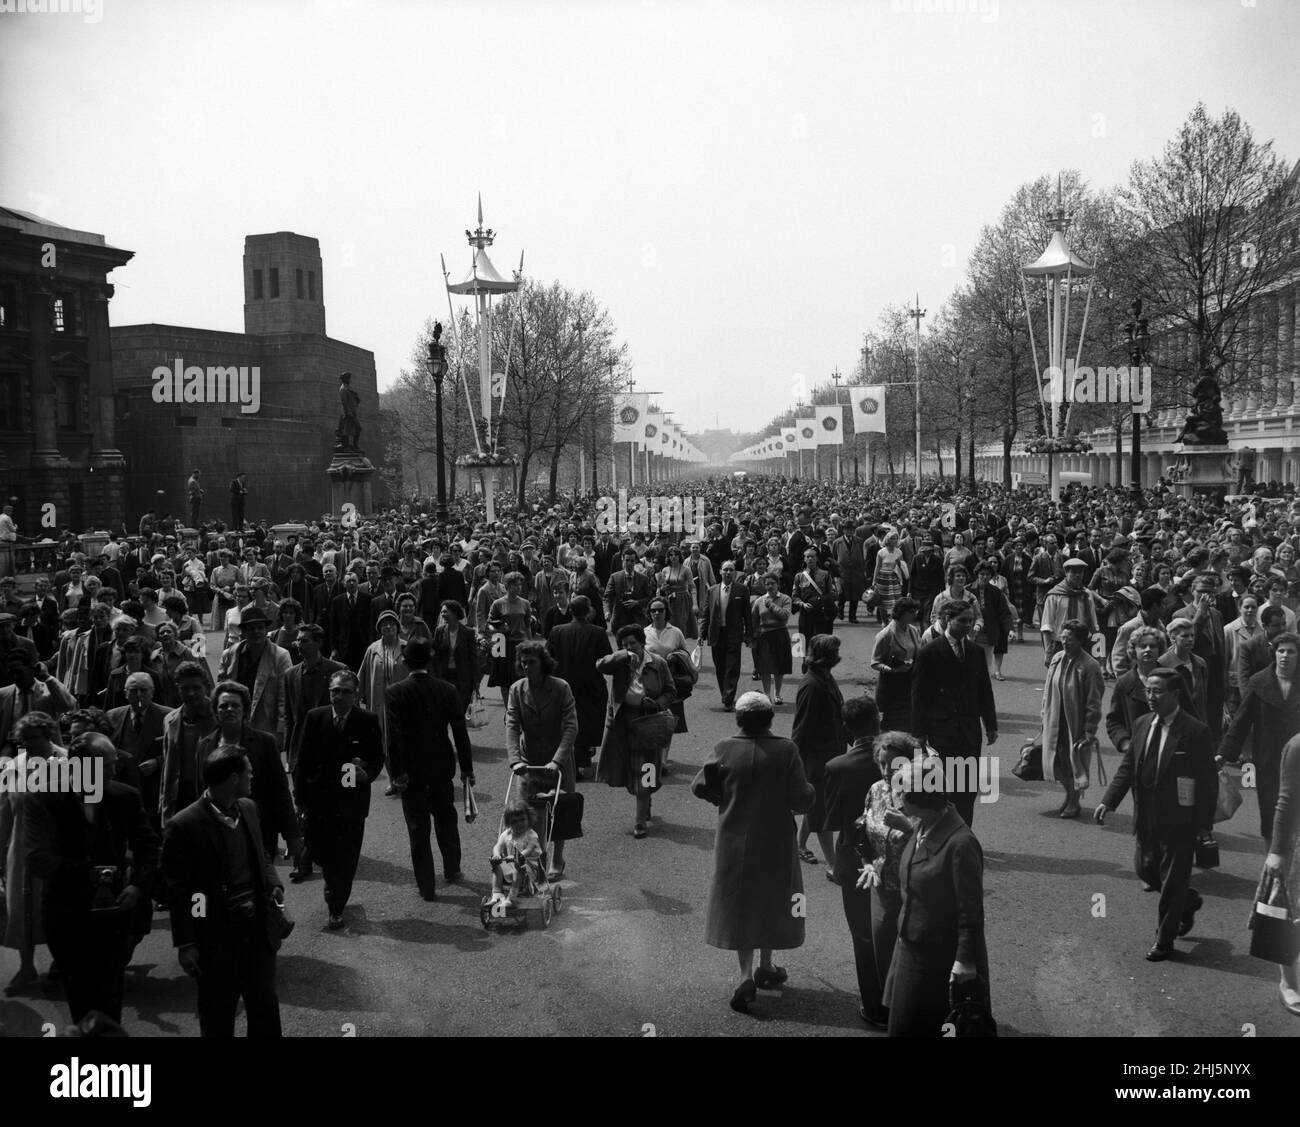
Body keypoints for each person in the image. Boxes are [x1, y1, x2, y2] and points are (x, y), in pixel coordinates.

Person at [691, 691, 815, 1014]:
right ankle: (767, 964)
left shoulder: (724, 748)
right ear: (770, 718)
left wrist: (721, 797)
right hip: (775, 839)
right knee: (772, 898)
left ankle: (745, 975)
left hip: (733, 838)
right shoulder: (786, 750)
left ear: (739, 719)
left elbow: (699, 785)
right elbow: (802, 799)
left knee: (740, 901)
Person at [26, 732, 159, 1024]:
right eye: (106, 765)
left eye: (114, 764)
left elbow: (149, 849)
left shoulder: (124, 797)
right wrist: (89, 872)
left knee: (110, 998)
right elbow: (38, 860)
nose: (114, 770)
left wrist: (138, 885)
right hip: (67, 915)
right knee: (81, 1000)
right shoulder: (44, 799)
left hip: (113, 916)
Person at [160, 747, 285, 1036]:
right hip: (215, 938)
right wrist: (187, 943)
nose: (252, 776)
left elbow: (262, 853)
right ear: (233, 778)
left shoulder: (249, 809)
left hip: (256, 931)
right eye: (248, 772)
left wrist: (274, 882)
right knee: (218, 1014)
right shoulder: (184, 825)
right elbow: (179, 890)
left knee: (265, 1008)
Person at [1096, 668, 1218, 961]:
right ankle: (1186, 902)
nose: (1150, 697)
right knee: (1146, 870)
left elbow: (1208, 781)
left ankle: (1164, 941)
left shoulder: (1195, 731)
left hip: (1180, 820)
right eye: (1148, 691)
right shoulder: (1141, 724)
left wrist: (1203, 825)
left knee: (1172, 882)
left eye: (1157, 691)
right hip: (1146, 816)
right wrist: (1108, 801)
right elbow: (1128, 767)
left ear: (1175, 695)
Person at [885, 751, 990, 1037]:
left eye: (902, 794)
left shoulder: (961, 845)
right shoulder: (922, 825)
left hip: (939, 960)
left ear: (922, 798)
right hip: (911, 949)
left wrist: (965, 960)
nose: (898, 800)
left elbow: (971, 911)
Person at [294, 670, 385, 929]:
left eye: (346, 692)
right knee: (320, 851)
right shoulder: (315, 718)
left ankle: (336, 906)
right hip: (318, 801)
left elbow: (378, 757)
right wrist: (300, 799)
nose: (340, 697)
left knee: (346, 859)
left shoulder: (366, 720)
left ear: (356, 695)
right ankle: (331, 881)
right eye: (335, 691)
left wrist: (365, 773)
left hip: (351, 804)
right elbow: (303, 760)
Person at [386, 638, 474, 899]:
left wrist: (397, 772)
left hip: (411, 769)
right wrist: (467, 768)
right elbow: (460, 731)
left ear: (405, 661)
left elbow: (393, 736)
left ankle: (426, 886)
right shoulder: (447, 690)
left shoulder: (394, 692)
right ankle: (452, 867)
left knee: (418, 827)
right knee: (446, 817)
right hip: (441, 764)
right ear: (430, 660)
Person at [854, 730, 923, 1030]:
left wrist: (909, 827)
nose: (885, 771)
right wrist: (867, 863)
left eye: (893, 766)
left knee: (914, 962)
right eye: (881, 764)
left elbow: (942, 840)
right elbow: (863, 833)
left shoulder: (922, 793)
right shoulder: (875, 790)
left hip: (915, 891)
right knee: (883, 957)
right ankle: (891, 1016)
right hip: (881, 888)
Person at [823, 696, 883, 1025]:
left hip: (855, 856)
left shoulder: (837, 767)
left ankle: (873, 1007)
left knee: (862, 933)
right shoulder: (904, 757)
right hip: (899, 855)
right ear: (877, 720)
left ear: (847, 728)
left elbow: (832, 819)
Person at [911, 605, 998, 827]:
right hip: (941, 733)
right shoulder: (929, 652)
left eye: (970, 620)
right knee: (942, 788)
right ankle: (940, 834)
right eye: (963, 621)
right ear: (948, 620)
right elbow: (919, 696)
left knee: (966, 790)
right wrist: (919, 734)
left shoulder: (976, 652)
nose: (968, 625)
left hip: (968, 732)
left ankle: (963, 832)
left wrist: (991, 724)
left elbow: (984, 690)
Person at [0, 712, 66, 995]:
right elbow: (3, 813)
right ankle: (26, 967)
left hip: (57, 849)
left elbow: (90, 806)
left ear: (49, 734)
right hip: (20, 850)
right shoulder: (13, 766)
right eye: (23, 740)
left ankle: (61, 966)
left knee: (55, 909)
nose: (27, 744)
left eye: (33, 738)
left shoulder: (71, 761)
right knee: (21, 910)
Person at [200, 681, 300, 866]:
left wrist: (292, 835)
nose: (229, 709)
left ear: (245, 710)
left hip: (258, 829)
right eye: (223, 706)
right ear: (215, 711)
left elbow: (279, 790)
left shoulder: (265, 743)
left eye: (235, 705)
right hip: (218, 832)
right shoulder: (205, 746)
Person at [506, 641, 578, 879]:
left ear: (543, 663)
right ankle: (535, 857)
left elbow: (570, 726)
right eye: (523, 662)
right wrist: (516, 759)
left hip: (558, 759)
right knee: (525, 813)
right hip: (529, 761)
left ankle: (558, 858)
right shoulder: (517, 689)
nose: (527, 667)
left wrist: (557, 760)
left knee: (559, 810)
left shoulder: (561, 687)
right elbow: (512, 725)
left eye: (532, 662)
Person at [1218, 633, 1300, 843]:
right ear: (1274, 653)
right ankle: (1272, 866)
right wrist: (1224, 754)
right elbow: (1241, 722)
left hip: (1297, 761)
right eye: (1281, 650)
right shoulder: (1259, 682)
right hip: (1268, 762)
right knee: (1271, 820)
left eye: (1291, 651)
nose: (1285, 656)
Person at [596, 626, 675, 839]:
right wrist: (622, 655)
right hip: (623, 722)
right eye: (624, 644)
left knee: (646, 769)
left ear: (642, 642)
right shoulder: (620, 662)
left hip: (649, 722)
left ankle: (640, 821)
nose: (629, 647)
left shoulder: (658, 663)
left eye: (633, 643)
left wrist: (657, 703)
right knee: (628, 769)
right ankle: (645, 798)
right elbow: (600, 665)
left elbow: (670, 691)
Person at [792, 634, 847, 881]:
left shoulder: (825, 678)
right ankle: (835, 866)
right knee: (822, 813)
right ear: (828, 656)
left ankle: (800, 845)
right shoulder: (812, 685)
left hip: (831, 755)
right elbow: (800, 730)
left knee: (816, 806)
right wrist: (794, 764)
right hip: (816, 759)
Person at [1040, 620, 1105, 819]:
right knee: (1057, 762)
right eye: (1063, 638)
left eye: (1070, 639)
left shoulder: (1090, 666)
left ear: (1081, 641)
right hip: (1054, 719)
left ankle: (1074, 801)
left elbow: (1094, 701)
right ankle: (1070, 794)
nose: (1065, 642)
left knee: (1074, 763)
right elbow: (1048, 688)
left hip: (1075, 723)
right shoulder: (1058, 658)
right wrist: (1044, 713)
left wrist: (1089, 729)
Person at [546, 595, 612, 776]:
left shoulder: (557, 631)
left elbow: (547, 658)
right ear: (588, 611)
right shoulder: (598, 633)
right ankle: (579, 758)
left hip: (562, 684)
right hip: (590, 685)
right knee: (586, 722)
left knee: (566, 722)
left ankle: (573, 758)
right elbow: (606, 660)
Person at [1265, 731, 1300, 1014]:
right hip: (1297, 843)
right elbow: (1285, 800)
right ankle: (1288, 983)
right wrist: (1276, 851)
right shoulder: (1296, 746)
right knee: (1290, 913)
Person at [106, 671, 168, 833]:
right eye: (133, 691)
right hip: (122, 789)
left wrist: (158, 762)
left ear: (152, 692)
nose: (138, 695)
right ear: (126, 693)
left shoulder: (168, 716)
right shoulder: (113, 716)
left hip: (153, 790)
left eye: (143, 690)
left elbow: (181, 752)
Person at [358, 610, 410, 795]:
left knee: (402, 740)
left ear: (397, 627)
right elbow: (362, 677)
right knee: (384, 742)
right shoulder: (372, 650)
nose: (388, 627)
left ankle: (404, 775)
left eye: (392, 623)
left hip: (402, 703)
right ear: (379, 628)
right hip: (379, 702)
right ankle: (392, 779)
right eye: (384, 624)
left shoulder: (406, 647)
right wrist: (355, 699)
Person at [700, 560, 750, 712]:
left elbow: (747, 614)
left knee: (732, 667)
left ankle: (729, 699)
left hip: (734, 633)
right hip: (717, 633)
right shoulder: (713, 590)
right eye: (725, 570)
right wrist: (701, 634)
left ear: (735, 572)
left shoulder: (742, 590)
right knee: (720, 666)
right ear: (720, 572)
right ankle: (725, 693)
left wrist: (750, 635)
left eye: (731, 570)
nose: (728, 572)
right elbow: (706, 613)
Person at [486, 571, 534, 708]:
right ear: (507, 586)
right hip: (502, 643)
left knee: (521, 677)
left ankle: (520, 706)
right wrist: (498, 630)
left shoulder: (525, 603)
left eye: (520, 584)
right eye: (514, 585)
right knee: (504, 679)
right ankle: (509, 708)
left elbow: (528, 626)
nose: (518, 587)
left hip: (520, 643)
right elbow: (489, 624)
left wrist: (530, 644)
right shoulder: (498, 603)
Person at [1039, 557, 1099, 664]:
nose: (1077, 575)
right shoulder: (1054, 595)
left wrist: (1098, 650)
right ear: (1066, 573)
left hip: (1082, 644)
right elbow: (1046, 625)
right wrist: (1048, 652)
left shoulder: (1086, 594)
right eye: (1074, 572)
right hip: (1060, 644)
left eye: (1080, 572)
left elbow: (1094, 624)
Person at [488, 798, 544, 906]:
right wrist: (496, 854)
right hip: (512, 865)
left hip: (531, 869)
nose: (519, 823)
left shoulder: (531, 835)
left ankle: (512, 898)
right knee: (496, 866)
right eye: (514, 821)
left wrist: (518, 857)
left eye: (522, 819)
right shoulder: (506, 834)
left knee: (518, 867)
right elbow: (498, 846)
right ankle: (497, 894)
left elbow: (529, 849)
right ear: (509, 823)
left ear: (529, 819)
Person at [751, 571, 793, 706]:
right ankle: (767, 695)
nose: (769, 586)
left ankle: (778, 694)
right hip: (764, 636)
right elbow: (754, 619)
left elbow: (785, 615)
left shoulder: (785, 599)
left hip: (780, 634)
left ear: (778, 584)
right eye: (767, 584)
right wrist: (755, 635)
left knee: (779, 667)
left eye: (772, 583)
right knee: (765, 668)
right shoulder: (759, 601)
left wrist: (771, 605)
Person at [431, 599, 478, 716]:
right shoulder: (439, 631)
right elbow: (435, 655)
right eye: (442, 612)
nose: (443, 615)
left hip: (463, 677)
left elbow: (473, 658)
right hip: (444, 677)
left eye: (446, 612)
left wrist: (476, 681)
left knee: (460, 711)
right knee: (444, 710)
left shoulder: (468, 633)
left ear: (455, 613)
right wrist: (435, 675)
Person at [792, 547, 837, 659]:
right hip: (806, 613)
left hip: (821, 613)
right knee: (804, 638)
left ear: (817, 558)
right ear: (804, 559)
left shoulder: (825, 575)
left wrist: (821, 601)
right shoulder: (799, 576)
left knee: (822, 640)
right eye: (807, 557)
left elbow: (833, 594)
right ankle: (805, 661)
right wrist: (802, 604)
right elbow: (795, 596)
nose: (810, 559)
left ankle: (821, 665)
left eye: (812, 556)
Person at [328, 572, 374, 672]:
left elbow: (371, 625)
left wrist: (371, 645)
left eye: (354, 580)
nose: (352, 583)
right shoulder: (337, 601)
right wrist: (334, 648)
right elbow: (333, 626)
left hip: (363, 647)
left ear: (358, 583)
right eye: (349, 581)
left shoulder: (368, 599)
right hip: (344, 648)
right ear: (344, 584)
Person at [604, 549, 653, 634]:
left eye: (632, 561)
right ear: (622, 559)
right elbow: (607, 597)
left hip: (637, 620)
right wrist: (607, 611)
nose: (629, 563)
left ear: (635, 561)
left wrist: (637, 602)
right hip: (619, 619)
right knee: (621, 646)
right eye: (627, 560)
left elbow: (649, 598)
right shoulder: (615, 577)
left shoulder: (643, 579)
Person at [870, 529, 907, 626]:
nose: (895, 540)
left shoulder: (899, 552)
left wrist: (904, 576)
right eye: (892, 538)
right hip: (882, 578)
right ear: (888, 540)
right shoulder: (881, 552)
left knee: (895, 600)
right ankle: (884, 621)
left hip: (893, 576)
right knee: (883, 601)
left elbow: (901, 565)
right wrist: (874, 581)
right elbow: (877, 567)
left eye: (896, 538)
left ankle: (892, 620)